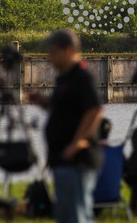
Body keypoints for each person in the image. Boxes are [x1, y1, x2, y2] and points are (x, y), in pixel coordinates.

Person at [29, 29, 103, 223]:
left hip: (77, 160)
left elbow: (94, 110)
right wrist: (42, 102)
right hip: (61, 158)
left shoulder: (82, 77)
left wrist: (77, 143)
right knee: (65, 216)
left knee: (78, 215)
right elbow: (64, 112)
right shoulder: (64, 79)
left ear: (68, 50)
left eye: (53, 52)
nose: (49, 57)